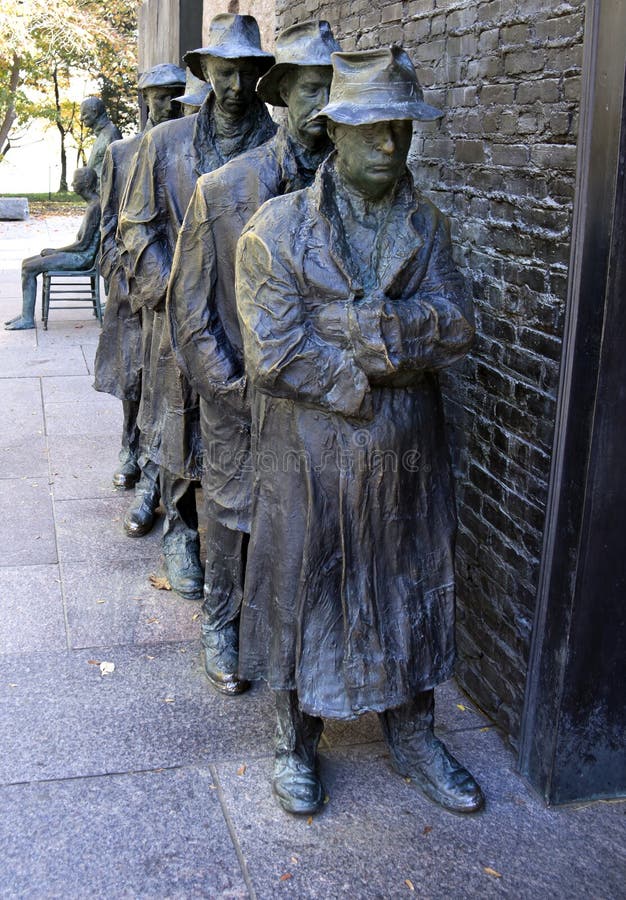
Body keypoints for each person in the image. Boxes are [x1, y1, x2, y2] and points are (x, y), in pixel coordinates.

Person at [235, 47, 484, 816]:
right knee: (303, 587)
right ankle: (295, 738)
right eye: (373, 126)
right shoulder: (277, 230)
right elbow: (276, 353)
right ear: (334, 130)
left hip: (408, 454)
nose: (389, 142)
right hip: (309, 456)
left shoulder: (428, 226)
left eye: (401, 127)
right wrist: (372, 379)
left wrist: (363, 329)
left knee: (411, 586)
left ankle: (414, 734)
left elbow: (457, 326)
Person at [168, 21, 340, 694]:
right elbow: (190, 310)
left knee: (311, 522)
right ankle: (220, 620)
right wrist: (230, 388)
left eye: (335, 90)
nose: (324, 105)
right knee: (231, 509)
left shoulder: (354, 190)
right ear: (285, 93)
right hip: (239, 394)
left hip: (321, 401)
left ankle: (304, 636)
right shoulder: (223, 188)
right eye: (312, 89)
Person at [118, 14, 276, 599]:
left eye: (246, 73)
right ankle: (181, 530)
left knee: (239, 427)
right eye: (224, 72)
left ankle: (241, 537)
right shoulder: (165, 144)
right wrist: (176, 292)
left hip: (247, 317)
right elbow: (137, 227)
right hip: (175, 312)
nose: (235, 85)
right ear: (205, 71)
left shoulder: (276, 149)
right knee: (177, 423)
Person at [93, 64, 186, 492]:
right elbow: (108, 223)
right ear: (146, 101)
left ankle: (161, 461)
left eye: (176, 95)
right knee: (132, 373)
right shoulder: (121, 152)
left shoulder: (186, 151)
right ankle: (129, 448)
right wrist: (121, 274)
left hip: (173, 283)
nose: (169, 105)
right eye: (160, 96)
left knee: (164, 379)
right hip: (131, 286)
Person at [5, 167, 100, 331]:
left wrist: (56, 251)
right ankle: (25, 314)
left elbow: (83, 245)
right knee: (26, 263)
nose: (72, 184)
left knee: (29, 268)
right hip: (80, 254)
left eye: (75, 181)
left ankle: (27, 319)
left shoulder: (95, 207)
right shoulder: (93, 204)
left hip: (82, 258)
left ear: (85, 183)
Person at [80, 97, 122, 187]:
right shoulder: (101, 135)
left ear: (95, 113)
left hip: (104, 192)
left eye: (84, 114)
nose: (81, 118)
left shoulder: (111, 133)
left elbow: (118, 170)